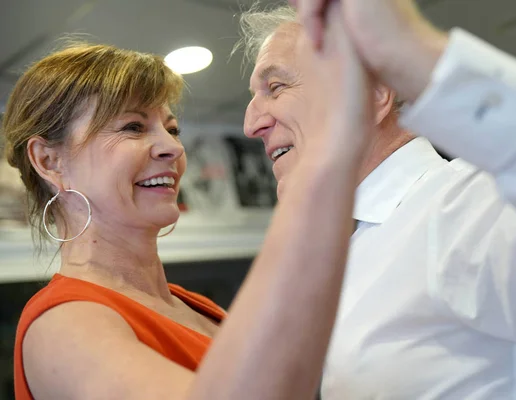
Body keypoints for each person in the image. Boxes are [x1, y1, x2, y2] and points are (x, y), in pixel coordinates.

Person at [4, 5, 372, 399]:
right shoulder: (64, 322)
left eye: (172, 128)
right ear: (49, 160)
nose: (171, 147)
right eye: (133, 127)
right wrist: (317, 198)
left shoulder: (195, 306)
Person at [239, 2, 516, 399]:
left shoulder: (465, 207)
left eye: (276, 87)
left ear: (376, 94)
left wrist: (412, 48)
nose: (252, 124)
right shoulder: (338, 254)